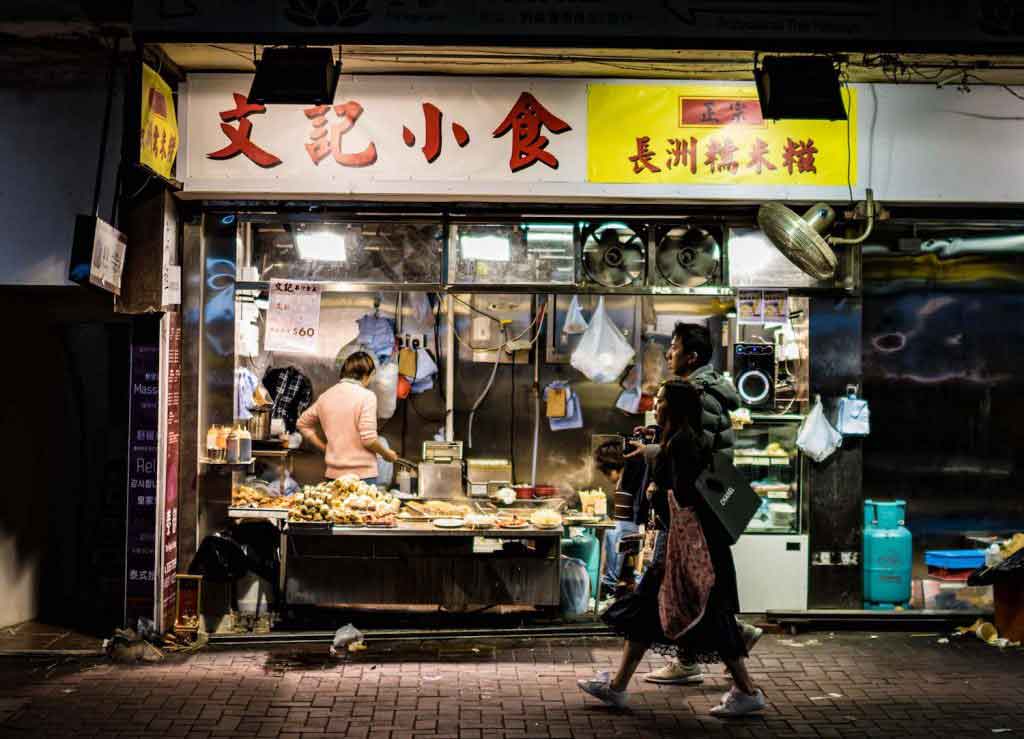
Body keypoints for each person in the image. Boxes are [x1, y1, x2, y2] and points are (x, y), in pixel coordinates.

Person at [578, 382, 766, 717]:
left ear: (675, 407)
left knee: (708, 615)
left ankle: (747, 690)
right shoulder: (681, 439)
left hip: (690, 548)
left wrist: (654, 488)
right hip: (687, 545)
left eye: (662, 400)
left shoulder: (682, 444)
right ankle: (618, 686)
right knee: (649, 609)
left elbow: (682, 495)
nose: (656, 404)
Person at [627, 322, 762, 686]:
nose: (668, 353)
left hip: (694, 505)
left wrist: (655, 449)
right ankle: (701, 653)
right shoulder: (707, 388)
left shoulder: (698, 393)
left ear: (692, 356)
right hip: (695, 501)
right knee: (690, 583)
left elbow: (690, 448)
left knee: (688, 583)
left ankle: (732, 643)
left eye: (673, 347)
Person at [297, 351, 398, 484]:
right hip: (362, 477)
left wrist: (324, 448)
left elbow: (302, 423)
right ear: (369, 375)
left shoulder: (326, 396)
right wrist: (387, 454)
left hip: (333, 476)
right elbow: (368, 439)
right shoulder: (367, 396)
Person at [593, 440, 644, 599]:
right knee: (612, 529)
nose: (607, 478)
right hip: (637, 524)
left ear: (611, 468)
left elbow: (626, 518)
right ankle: (608, 582)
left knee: (613, 532)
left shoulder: (627, 477)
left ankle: (608, 584)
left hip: (641, 527)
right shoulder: (630, 472)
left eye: (605, 473)